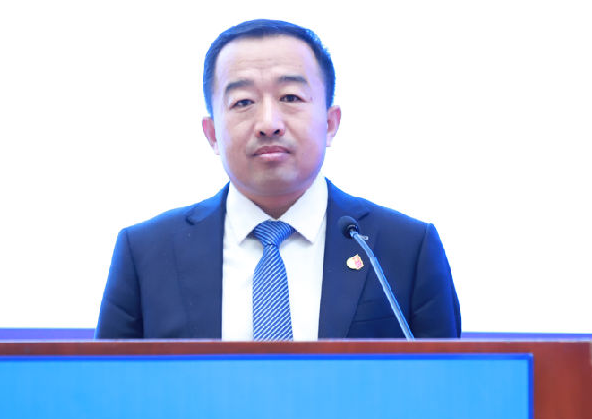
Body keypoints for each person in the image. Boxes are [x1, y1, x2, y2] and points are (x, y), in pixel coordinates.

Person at [95, 19, 460, 340]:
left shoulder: (405, 249)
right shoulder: (146, 254)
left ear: (330, 123)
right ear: (212, 134)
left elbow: (444, 387)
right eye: (243, 102)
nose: (269, 123)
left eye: (290, 97)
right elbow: (109, 387)